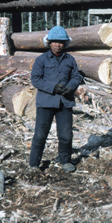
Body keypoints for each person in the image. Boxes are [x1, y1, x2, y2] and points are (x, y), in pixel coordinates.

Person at [29, 26, 82, 173]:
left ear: (65, 43)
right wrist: (53, 88)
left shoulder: (70, 60)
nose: (58, 44)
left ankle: (65, 161)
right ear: (49, 43)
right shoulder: (41, 60)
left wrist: (70, 87)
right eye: (55, 42)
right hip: (46, 101)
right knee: (40, 135)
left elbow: (76, 77)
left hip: (65, 102)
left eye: (61, 42)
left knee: (65, 135)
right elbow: (35, 80)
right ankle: (34, 164)